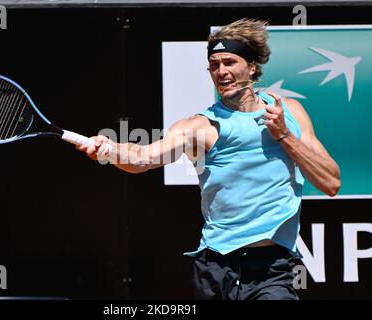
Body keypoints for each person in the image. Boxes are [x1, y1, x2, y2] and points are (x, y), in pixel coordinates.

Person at [77, 18, 340, 300]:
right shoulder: (199, 127)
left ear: (252, 67)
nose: (221, 72)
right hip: (215, 269)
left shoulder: (291, 113)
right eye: (214, 65)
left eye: (229, 62)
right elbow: (143, 157)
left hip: (272, 270)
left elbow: (331, 182)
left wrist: (284, 136)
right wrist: (109, 149)